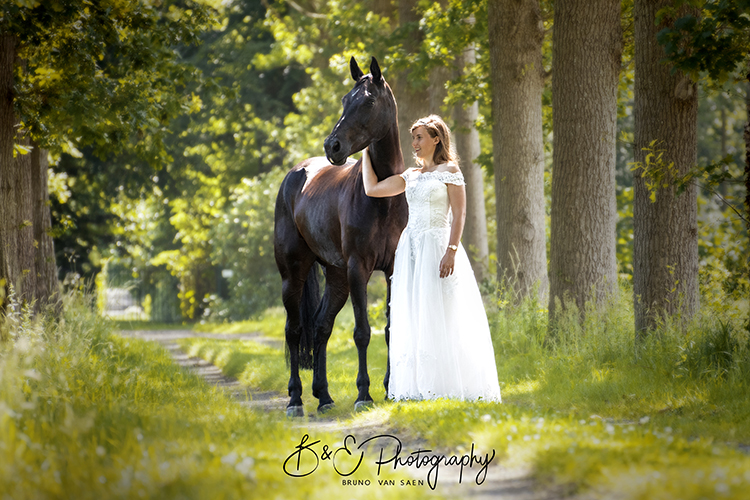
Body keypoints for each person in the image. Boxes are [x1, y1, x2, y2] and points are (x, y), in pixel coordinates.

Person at [362, 114, 501, 402]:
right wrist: (365, 151)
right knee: (415, 311)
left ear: (436, 139)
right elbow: (372, 189)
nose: (414, 143)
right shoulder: (410, 176)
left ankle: (452, 383)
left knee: (444, 312)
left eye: (419, 137)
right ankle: (419, 385)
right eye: (413, 138)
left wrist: (451, 250)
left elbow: (460, 213)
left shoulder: (450, 170)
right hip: (411, 249)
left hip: (438, 247)